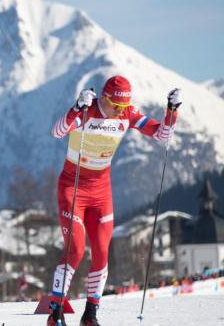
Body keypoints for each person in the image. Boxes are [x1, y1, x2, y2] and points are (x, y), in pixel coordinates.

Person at [47, 75, 182, 326]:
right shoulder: (87, 109)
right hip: (73, 187)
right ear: (104, 98)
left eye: (123, 107)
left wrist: (171, 111)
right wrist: (75, 108)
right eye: (115, 107)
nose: (119, 112)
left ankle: (91, 314)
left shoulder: (126, 114)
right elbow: (57, 132)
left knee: (101, 252)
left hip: (101, 192)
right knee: (75, 250)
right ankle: (55, 313)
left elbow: (162, 135)